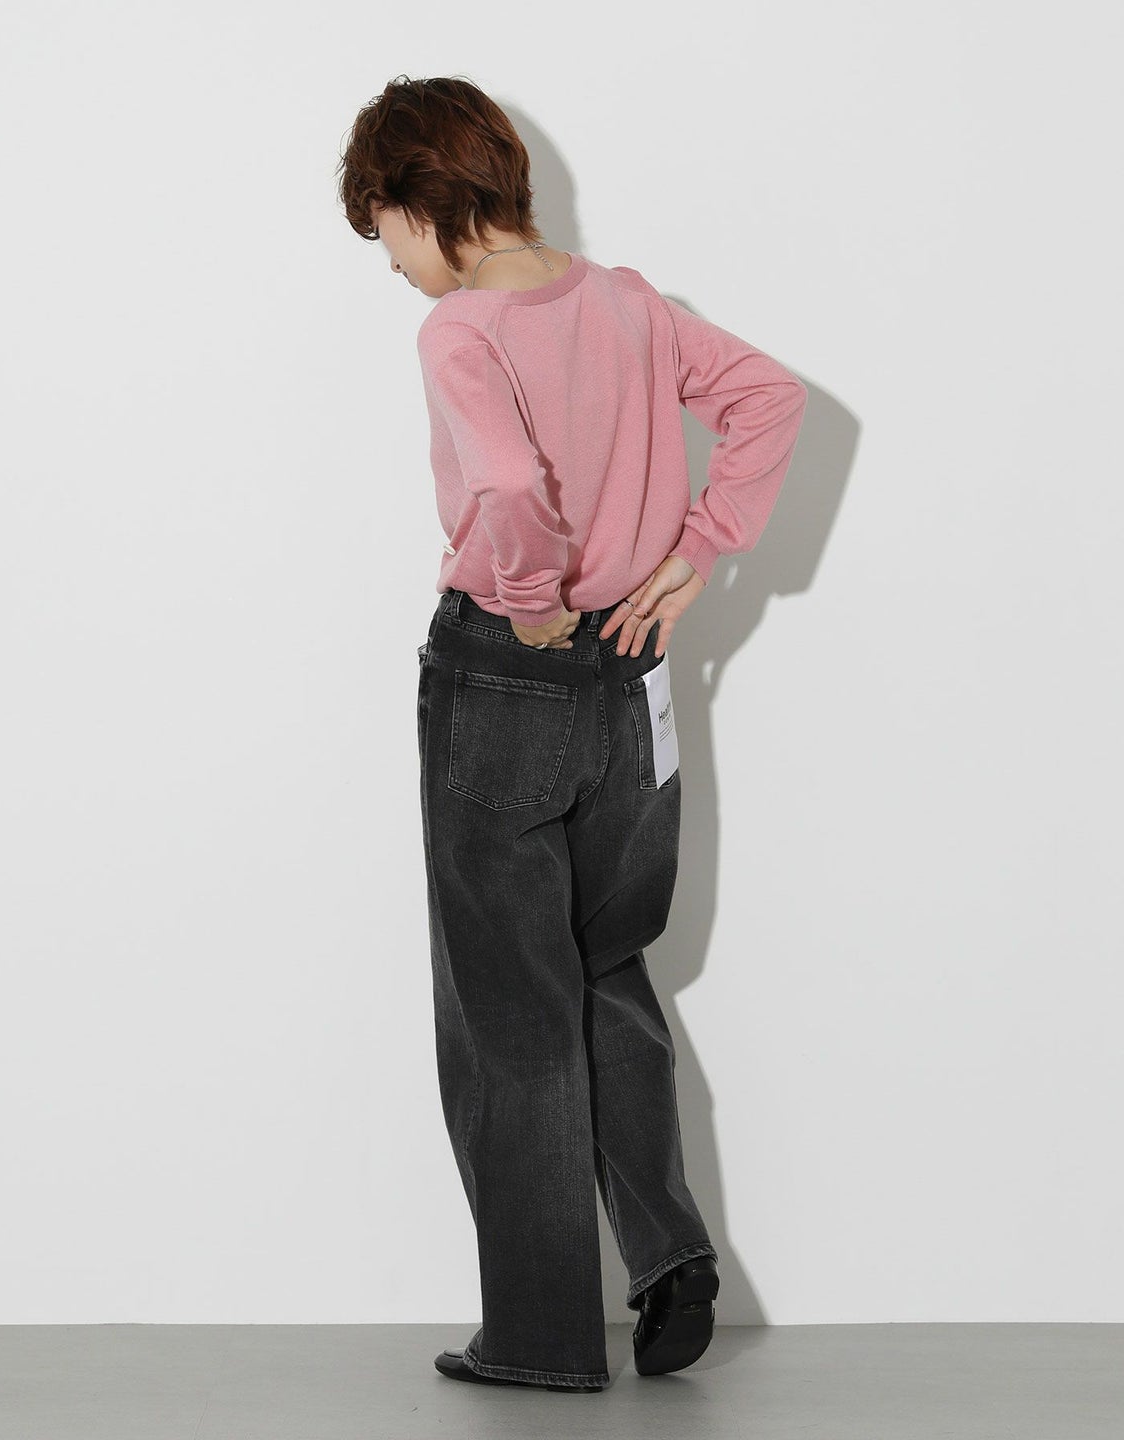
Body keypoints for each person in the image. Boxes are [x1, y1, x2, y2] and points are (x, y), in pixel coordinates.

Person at [337, 74, 808, 1394]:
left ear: (419, 198)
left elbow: (502, 481)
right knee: (607, 969)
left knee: (510, 1011)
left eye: (383, 232)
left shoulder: (461, 330)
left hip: (508, 674)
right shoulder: (629, 303)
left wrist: (532, 600)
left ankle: (542, 1338)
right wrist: (701, 547)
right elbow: (770, 398)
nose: (390, 263)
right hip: (631, 679)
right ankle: (669, 1256)